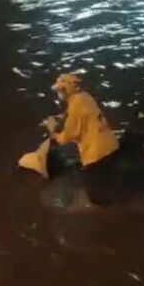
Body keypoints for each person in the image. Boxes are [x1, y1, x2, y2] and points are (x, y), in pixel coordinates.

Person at [43, 73, 122, 205]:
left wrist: (53, 132)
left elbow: (69, 135)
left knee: (96, 195)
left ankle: (111, 216)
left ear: (65, 90)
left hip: (96, 153)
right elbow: (76, 114)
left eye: (59, 91)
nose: (58, 94)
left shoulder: (75, 106)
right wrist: (62, 117)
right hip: (111, 145)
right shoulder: (85, 97)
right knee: (109, 181)